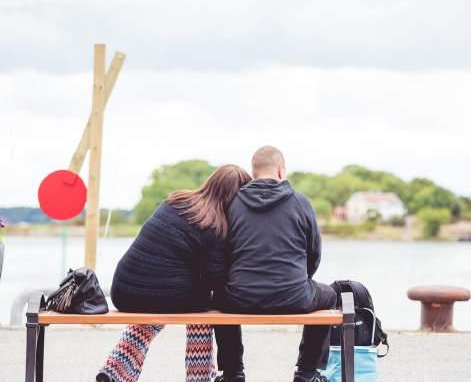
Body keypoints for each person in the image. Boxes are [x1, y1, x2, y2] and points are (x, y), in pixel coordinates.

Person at [96, 165, 252, 382]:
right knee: (206, 305)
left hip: (122, 291)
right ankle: (200, 377)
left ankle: (115, 370)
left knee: (155, 308)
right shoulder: (216, 225)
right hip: (162, 295)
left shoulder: (177, 200)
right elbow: (218, 281)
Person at [214, 146, 337, 382]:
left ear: (254, 172)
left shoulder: (232, 204)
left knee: (220, 298)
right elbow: (314, 254)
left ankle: (232, 374)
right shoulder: (300, 202)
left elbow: (223, 255)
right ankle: (306, 374)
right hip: (294, 296)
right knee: (330, 296)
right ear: (281, 170)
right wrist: (300, 280)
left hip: (238, 298)